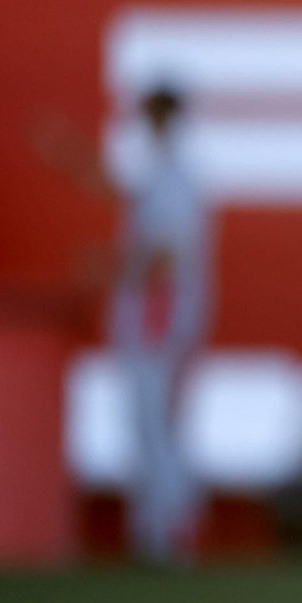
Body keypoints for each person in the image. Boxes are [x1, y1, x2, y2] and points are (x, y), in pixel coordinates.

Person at [109, 85, 212, 566]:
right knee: (153, 425)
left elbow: (167, 255)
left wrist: (116, 268)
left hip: (159, 316)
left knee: (157, 427)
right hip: (159, 314)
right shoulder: (162, 172)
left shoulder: (174, 176)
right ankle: (159, 528)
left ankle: (170, 528)